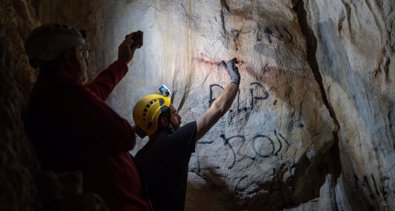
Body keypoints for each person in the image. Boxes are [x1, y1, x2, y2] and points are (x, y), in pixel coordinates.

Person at [23, 23, 153, 211]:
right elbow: (125, 135)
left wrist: (121, 63)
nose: (85, 60)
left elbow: (93, 93)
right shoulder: (62, 90)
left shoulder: (53, 92)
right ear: (68, 57)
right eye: (81, 53)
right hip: (119, 202)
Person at [132, 58, 240, 211]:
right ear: (163, 121)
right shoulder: (172, 144)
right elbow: (217, 109)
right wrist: (235, 81)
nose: (180, 117)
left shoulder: (141, 156)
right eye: (174, 113)